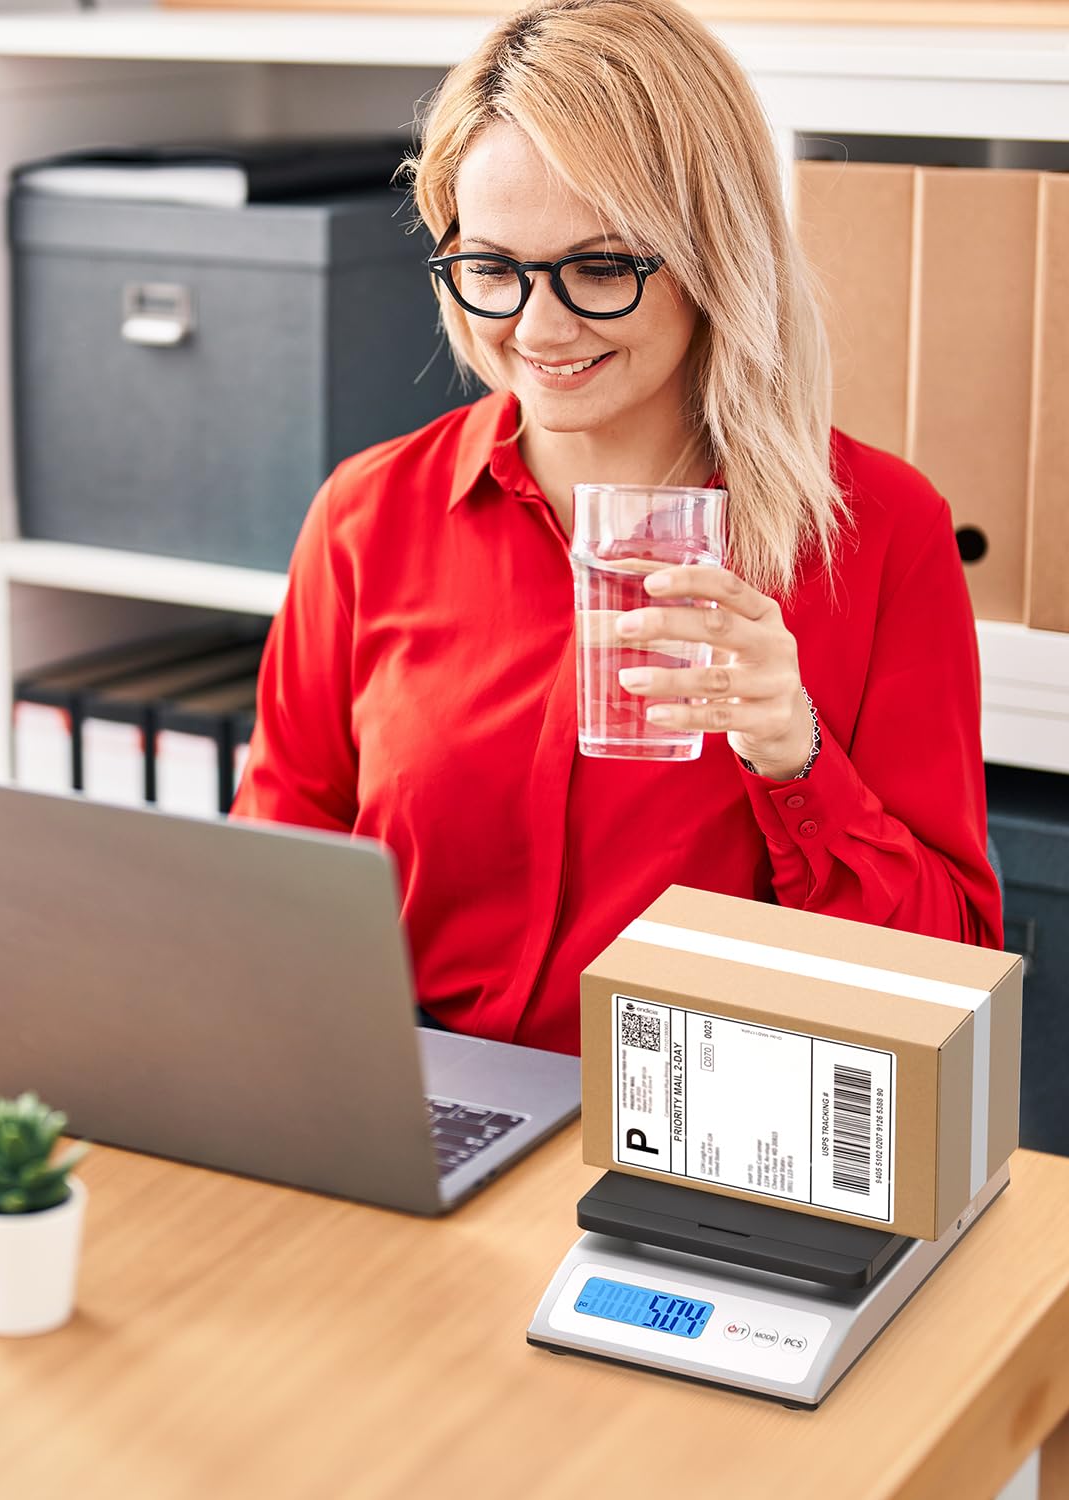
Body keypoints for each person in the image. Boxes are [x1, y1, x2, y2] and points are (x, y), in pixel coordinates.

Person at [231, 0, 1003, 1055]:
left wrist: (795, 755)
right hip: (418, 1106)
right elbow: (272, 888)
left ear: (712, 258)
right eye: (494, 269)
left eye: (602, 270)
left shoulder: (879, 535)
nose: (539, 330)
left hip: (717, 1133)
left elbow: (949, 981)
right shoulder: (371, 516)